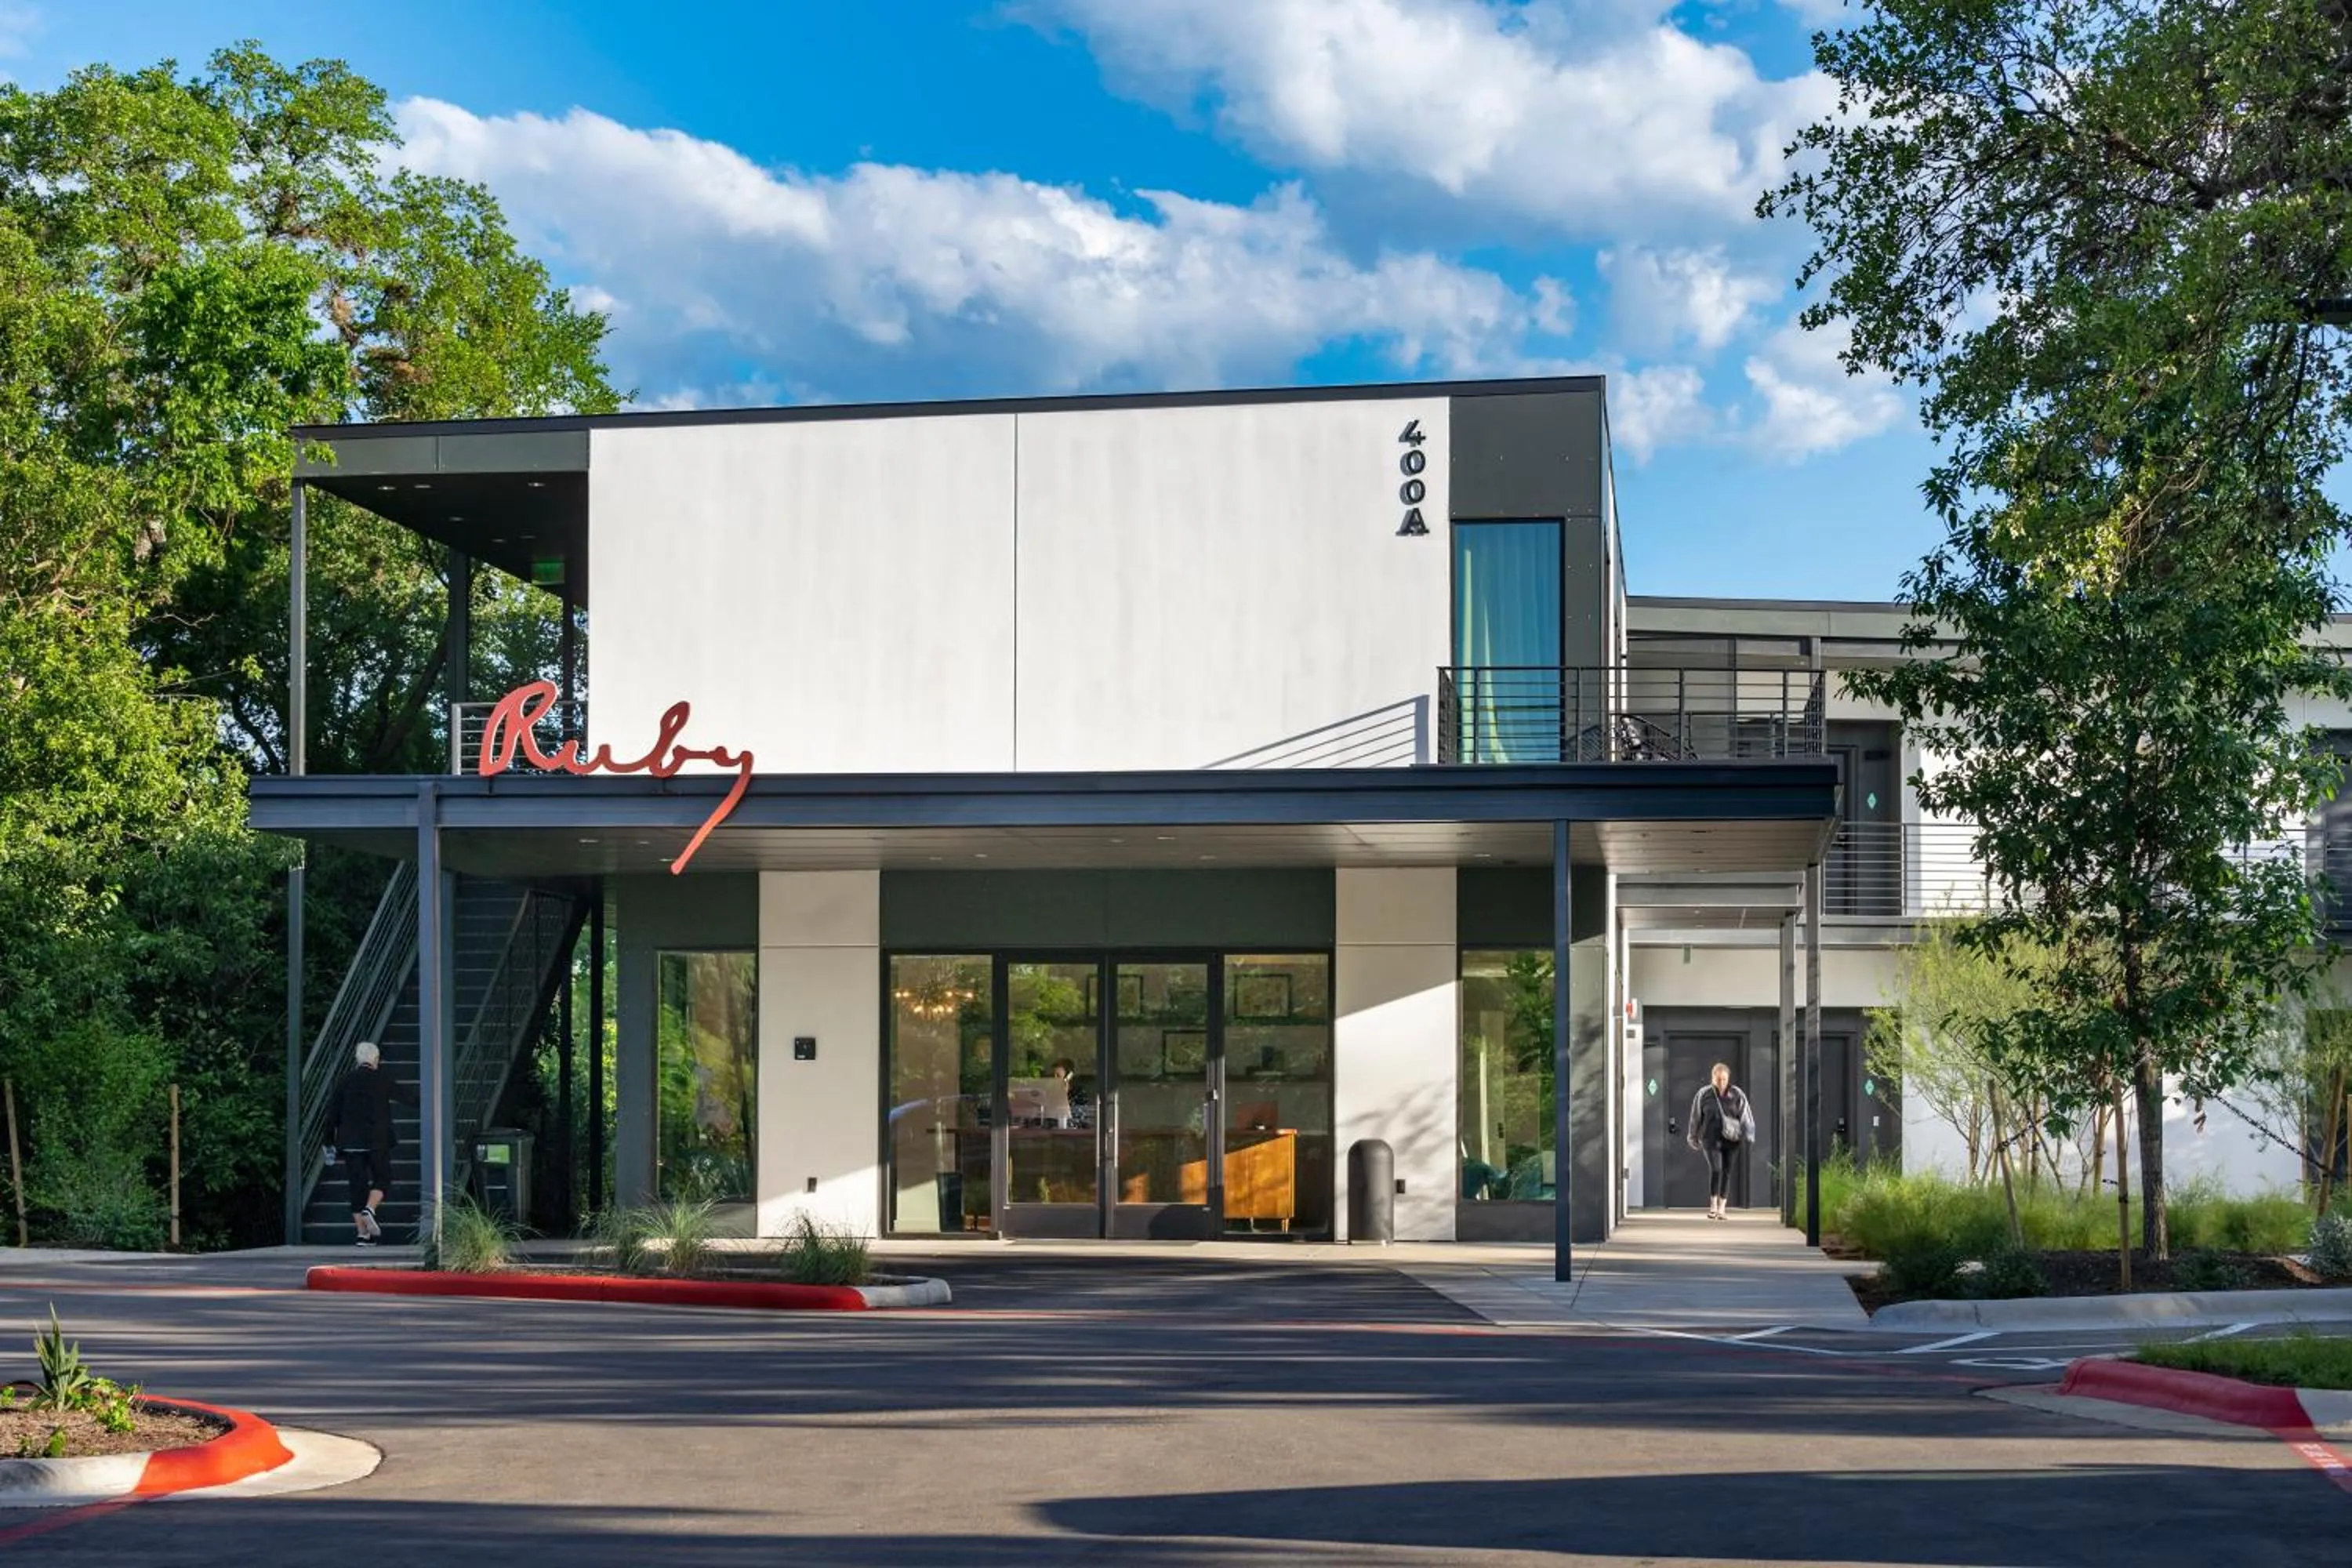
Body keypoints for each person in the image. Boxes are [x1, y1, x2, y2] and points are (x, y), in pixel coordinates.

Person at [325, 1040, 394, 1246]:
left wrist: (328, 1140)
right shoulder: (381, 1080)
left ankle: (363, 1235)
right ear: (375, 1060)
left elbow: (333, 1113)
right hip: (376, 1140)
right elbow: (404, 1100)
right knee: (383, 1177)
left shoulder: (344, 1081)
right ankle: (370, 1209)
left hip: (349, 1142)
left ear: (357, 1059)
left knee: (357, 1185)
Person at [1685, 1062, 1756, 1221]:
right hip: (1710, 1139)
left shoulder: (1737, 1094)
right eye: (1718, 1079)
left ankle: (1722, 1209)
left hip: (1732, 1139)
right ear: (1713, 1078)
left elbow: (1746, 1115)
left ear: (1728, 1078)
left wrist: (1749, 1134)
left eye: (1724, 1079)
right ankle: (1713, 1206)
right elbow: (1695, 1117)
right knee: (1716, 1169)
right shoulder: (1704, 1094)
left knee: (1727, 1171)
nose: (1722, 1083)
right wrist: (1693, 1136)